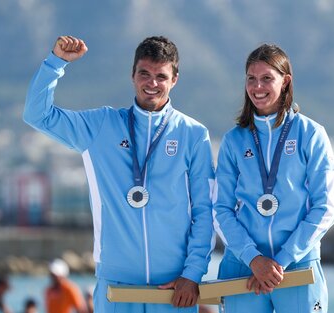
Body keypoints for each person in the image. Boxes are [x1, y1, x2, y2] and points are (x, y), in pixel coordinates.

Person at [24, 35, 215, 313]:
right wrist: (56, 62)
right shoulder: (101, 126)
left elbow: (204, 210)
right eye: (144, 74)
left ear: (174, 79)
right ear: (132, 75)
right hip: (116, 287)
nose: (152, 83)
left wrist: (193, 275)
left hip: (174, 287)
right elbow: (36, 115)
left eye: (161, 76)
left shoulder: (194, 135)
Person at [212, 43, 334, 312]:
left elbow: (325, 208)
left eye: (267, 78)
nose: (258, 87)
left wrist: (280, 261)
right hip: (242, 267)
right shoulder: (234, 140)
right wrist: (253, 259)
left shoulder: (311, 134)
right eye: (251, 79)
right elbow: (220, 209)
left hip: (297, 265)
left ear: (286, 81)